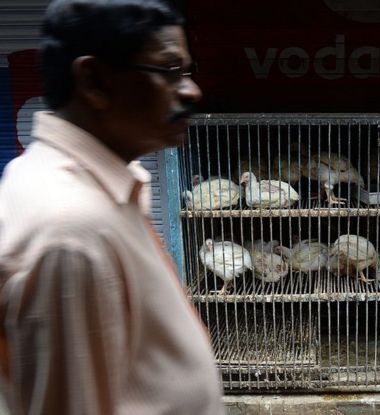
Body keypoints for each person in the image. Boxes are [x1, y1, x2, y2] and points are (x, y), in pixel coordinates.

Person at [0, 1, 224, 413]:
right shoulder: (71, 233)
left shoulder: (101, 182)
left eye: (188, 73)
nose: (192, 91)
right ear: (93, 80)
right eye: (170, 71)